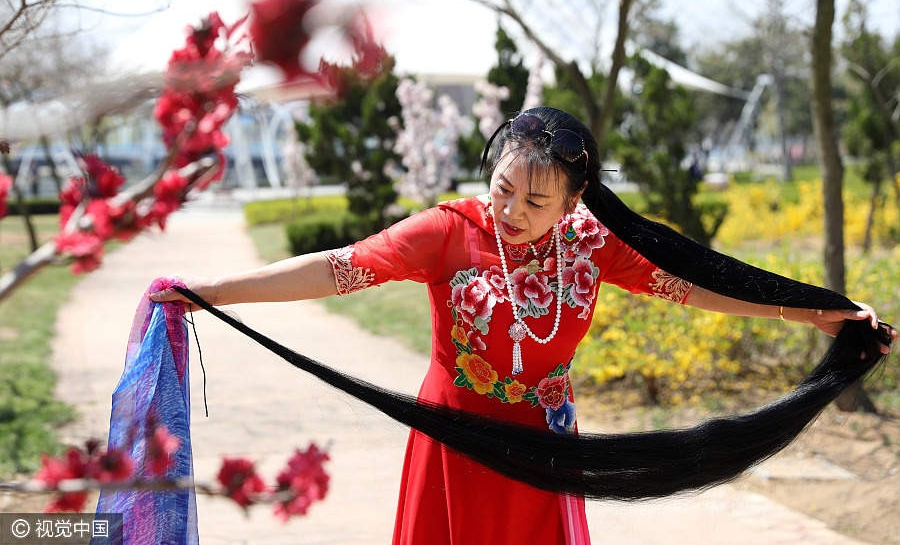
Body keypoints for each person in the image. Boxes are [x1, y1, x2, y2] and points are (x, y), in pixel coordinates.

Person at [152, 106, 896, 545]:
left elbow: (693, 287)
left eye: (534, 202)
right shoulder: (447, 232)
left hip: (543, 449)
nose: (510, 210)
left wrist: (808, 311)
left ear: (574, 204)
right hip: (457, 443)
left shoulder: (593, 245)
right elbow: (338, 267)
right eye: (503, 187)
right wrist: (213, 290)